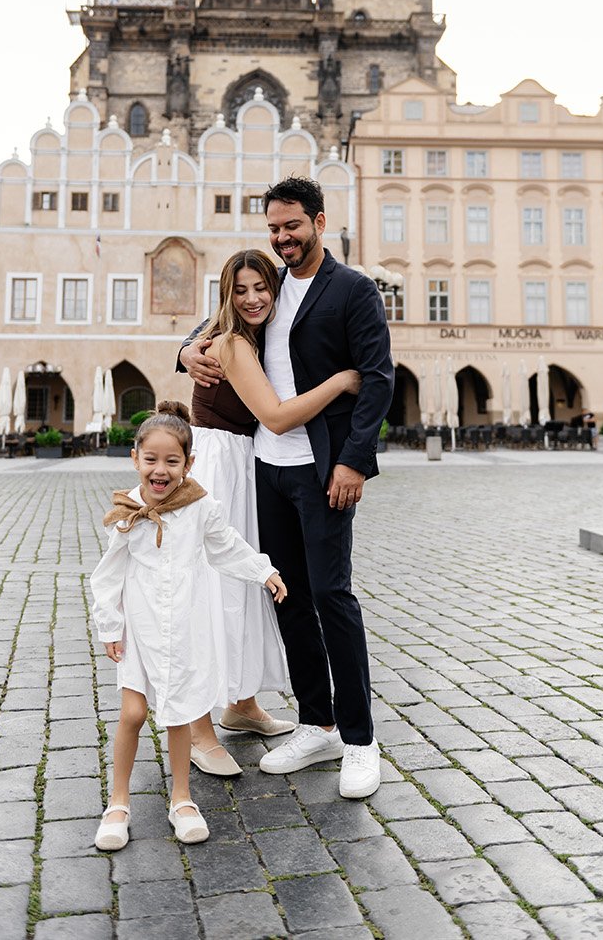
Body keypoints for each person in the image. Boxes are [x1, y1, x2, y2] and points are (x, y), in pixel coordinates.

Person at [181, 177, 394, 799]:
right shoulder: (268, 284)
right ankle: (317, 723)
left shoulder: (353, 290)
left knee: (333, 598)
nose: (283, 238)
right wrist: (184, 349)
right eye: (274, 228)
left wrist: (355, 462)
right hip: (265, 470)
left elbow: (377, 379)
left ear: (319, 222)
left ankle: (358, 740)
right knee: (289, 600)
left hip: (322, 469)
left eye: (292, 226)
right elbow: (216, 321)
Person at [188, 248, 362, 777]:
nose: (253, 297)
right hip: (221, 463)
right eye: (239, 291)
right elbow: (277, 415)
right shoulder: (233, 341)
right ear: (226, 295)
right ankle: (197, 729)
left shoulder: (268, 322)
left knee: (249, 589)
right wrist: (342, 381)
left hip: (251, 461)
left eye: (260, 287)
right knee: (210, 590)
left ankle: (240, 707)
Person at [89, 402, 286, 851]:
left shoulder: (201, 507)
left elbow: (227, 547)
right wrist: (110, 627)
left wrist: (263, 571)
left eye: (172, 461)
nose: (160, 470)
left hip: (185, 628)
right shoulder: (128, 512)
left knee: (179, 712)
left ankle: (182, 799)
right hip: (140, 630)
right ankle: (118, 802)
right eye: (151, 459)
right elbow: (108, 575)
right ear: (135, 458)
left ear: (188, 464)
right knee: (134, 713)